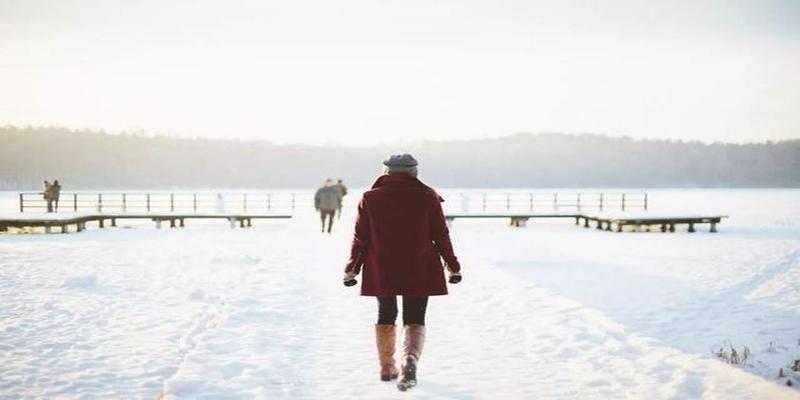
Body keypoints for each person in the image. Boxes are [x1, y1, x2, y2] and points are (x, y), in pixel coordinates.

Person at [342, 153, 462, 391]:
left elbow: (361, 237)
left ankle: (387, 367)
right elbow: (441, 235)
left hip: (382, 264)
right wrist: (453, 265)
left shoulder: (369, 198)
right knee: (415, 317)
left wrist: (352, 268)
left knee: (386, 312)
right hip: (419, 264)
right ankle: (409, 361)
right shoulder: (428, 197)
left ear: (386, 172)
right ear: (413, 172)